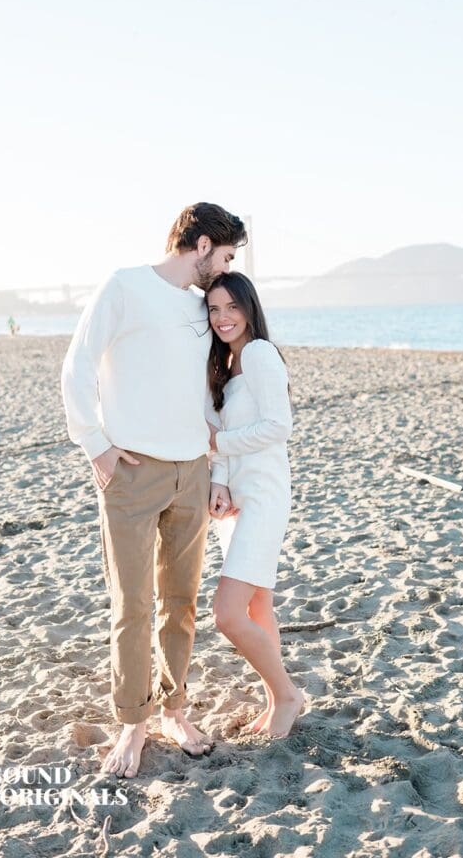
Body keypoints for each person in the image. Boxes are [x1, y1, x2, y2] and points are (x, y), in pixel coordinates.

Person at [61, 203, 247, 778]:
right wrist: (97, 446)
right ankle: (132, 724)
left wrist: (219, 466)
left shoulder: (202, 309)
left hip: (191, 471)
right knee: (133, 603)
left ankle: (174, 710)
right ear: (201, 244)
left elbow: (204, 391)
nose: (229, 267)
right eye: (228, 255)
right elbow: (77, 366)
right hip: (133, 473)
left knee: (181, 604)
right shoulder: (124, 287)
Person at [205, 271, 304, 738]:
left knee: (227, 613)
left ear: (249, 308)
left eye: (232, 307)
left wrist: (220, 444)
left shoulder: (261, 354)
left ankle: (287, 694)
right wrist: (219, 481)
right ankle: (273, 699)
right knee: (260, 602)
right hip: (237, 501)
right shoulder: (227, 362)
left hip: (265, 495)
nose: (223, 318)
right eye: (214, 309)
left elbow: (277, 426)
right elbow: (223, 439)